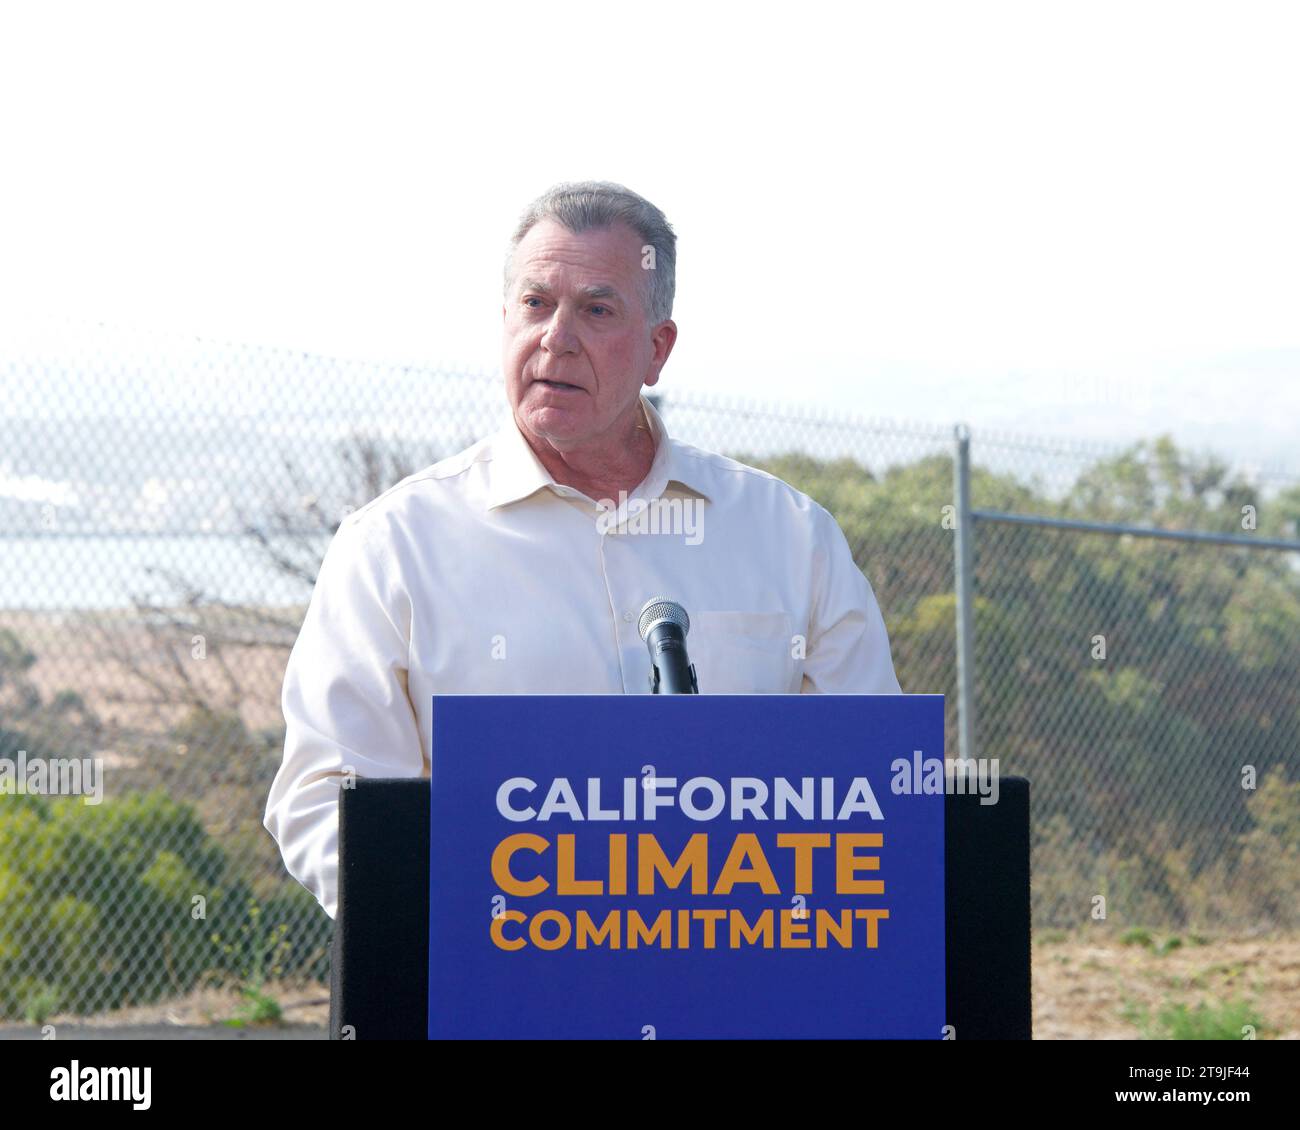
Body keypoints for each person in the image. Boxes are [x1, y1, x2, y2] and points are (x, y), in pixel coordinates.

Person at [264, 181, 901, 919]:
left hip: (742, 979)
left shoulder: (790, 538)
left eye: (596, 310)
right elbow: (328, 801)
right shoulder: (393, 548)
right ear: (505, 321)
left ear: (657, 349)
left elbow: (868, 786)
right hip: (488, 996)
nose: (555, 338)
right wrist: (479, 925)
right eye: (535, 305)